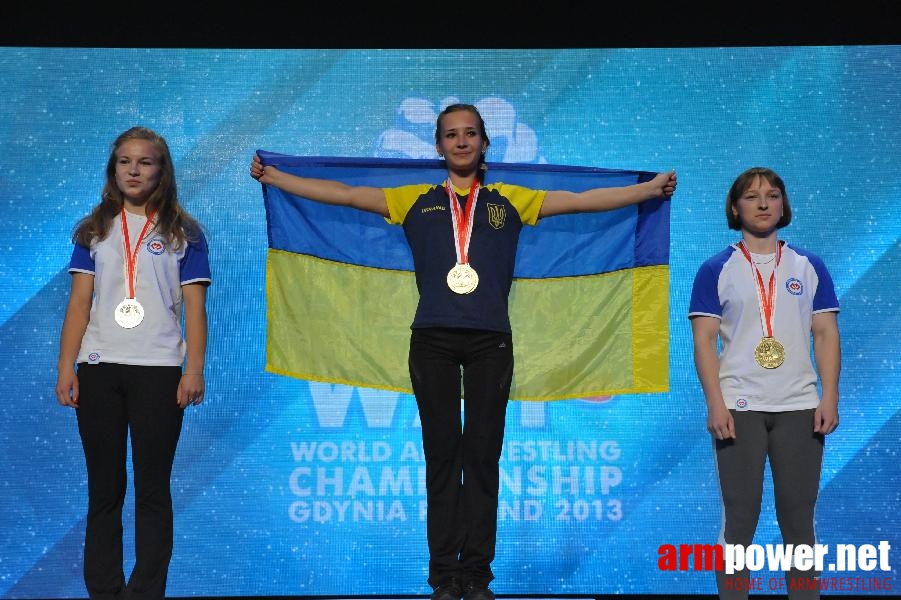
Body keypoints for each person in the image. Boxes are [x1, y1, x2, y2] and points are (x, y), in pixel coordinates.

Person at [250, 103, 676, 600]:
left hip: (490, 342)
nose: (461, 142)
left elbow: (579, 202)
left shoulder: (511, 200)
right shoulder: (414, 199)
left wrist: (646, 192)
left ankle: (476, 575)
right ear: (437, 146)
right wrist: (278, 179)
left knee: (482, 458)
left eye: (470, 133)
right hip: (431, 340)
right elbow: (344, 194)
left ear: (484, 143)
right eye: (451, 135)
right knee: (441, 458)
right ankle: (443, 577)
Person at [55, 126, 212, 600]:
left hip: (161, 371)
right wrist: (66, 367)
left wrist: (194, 368)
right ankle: (103, 591)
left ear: (161, 170)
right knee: (104, 489)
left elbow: (195, 309)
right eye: (125, 162)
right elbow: (79, 305)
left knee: (152, 489)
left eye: (145, 162)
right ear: (113, 169)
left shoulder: (185, 233)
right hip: (100, 368)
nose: (134, 170)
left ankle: (146, 591)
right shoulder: (94, 230)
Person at [688, 167, 840, 599]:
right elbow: (703, 343)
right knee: (740, 518)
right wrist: (715, 404)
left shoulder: (808, 266)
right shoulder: (716, 268)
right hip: (739, 406)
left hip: (799, 406)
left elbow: (826, 334)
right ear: (736, 207)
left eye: (772, 195)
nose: (763, 203)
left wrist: (829, 395)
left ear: (783, 205)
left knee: (798, 520)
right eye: (752, 197)